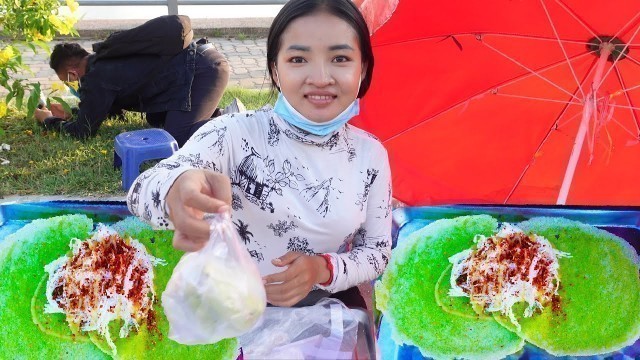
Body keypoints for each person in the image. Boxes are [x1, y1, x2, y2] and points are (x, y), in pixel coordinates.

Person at [127, 0, 391, 308]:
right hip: (225, 314)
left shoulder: (370, 155)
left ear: (363, 69)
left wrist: (323, 269)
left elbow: (375, 252)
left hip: (320, 320)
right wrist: (176, 188)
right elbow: (140, 193)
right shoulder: (232, 134)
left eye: (340, 58)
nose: (320, 77)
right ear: (275, 71)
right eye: (298, 59)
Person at [33, 40, 231, 147]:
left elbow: (83, 132)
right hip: (199, 63)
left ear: (72, 72)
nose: (73, 85)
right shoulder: (102, 60)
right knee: (156, 119)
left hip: (204, 70)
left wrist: (48, 120)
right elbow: (101, 110)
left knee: (176, 139)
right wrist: (73, 113)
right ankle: (216, 114)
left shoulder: (96, 77)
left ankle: (233, 120)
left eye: (70, 81)